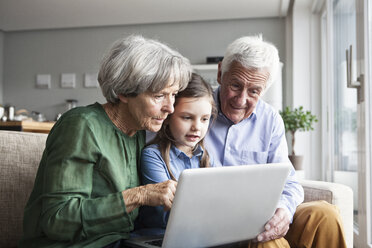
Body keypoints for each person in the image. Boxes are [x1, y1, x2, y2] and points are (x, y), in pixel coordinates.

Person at [18, 35, 192, 248]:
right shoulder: (82, 125)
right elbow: (57, 219)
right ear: (123, 92)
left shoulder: (138, 128)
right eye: (159, 96)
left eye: (173, 94)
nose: (170, 107)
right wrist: (139, 195)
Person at [204, 36, 347, 248]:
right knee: (269, 243)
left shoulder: (270, 120)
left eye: (254, 91)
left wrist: (284, 211)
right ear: (219, 74)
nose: (241, 100)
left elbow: (289, 183)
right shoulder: (195, 112)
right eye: (235, 85)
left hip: (260, 218)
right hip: (214, 223)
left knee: (325, 214)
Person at [137, 73, 217, 230]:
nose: (197, 127)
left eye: (204, 119)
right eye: (187, 117)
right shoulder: (153, 156)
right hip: (158, 236)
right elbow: (171, 216)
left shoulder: (206, 159)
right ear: (168, 117)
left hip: (197, 233)